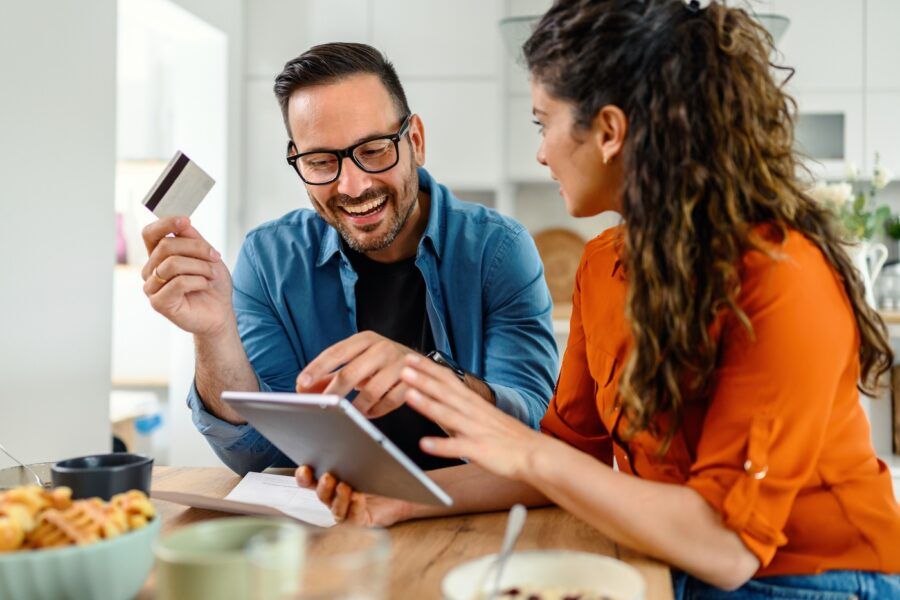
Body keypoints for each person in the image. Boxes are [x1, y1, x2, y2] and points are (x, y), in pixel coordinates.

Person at [296, 2, 900, 597]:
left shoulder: (784, 276)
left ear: (609, 132)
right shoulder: (603, 263)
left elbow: (726, 548)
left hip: (816, 579)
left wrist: (524, 450)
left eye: (544, 123)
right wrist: (402, 499)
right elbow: (567, 458)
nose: (541, 152)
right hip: (668, 560)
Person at [139, 43, 558, 474]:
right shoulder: (268, 261)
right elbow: (261, 455)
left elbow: (531, 428)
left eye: (374, 150)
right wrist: (214, 334)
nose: (353, 187)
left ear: (415, 141)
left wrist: (430, 379)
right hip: (335, 514)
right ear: (297, 161)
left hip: (470, 509)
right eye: (321, 161)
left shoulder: (498, 250)